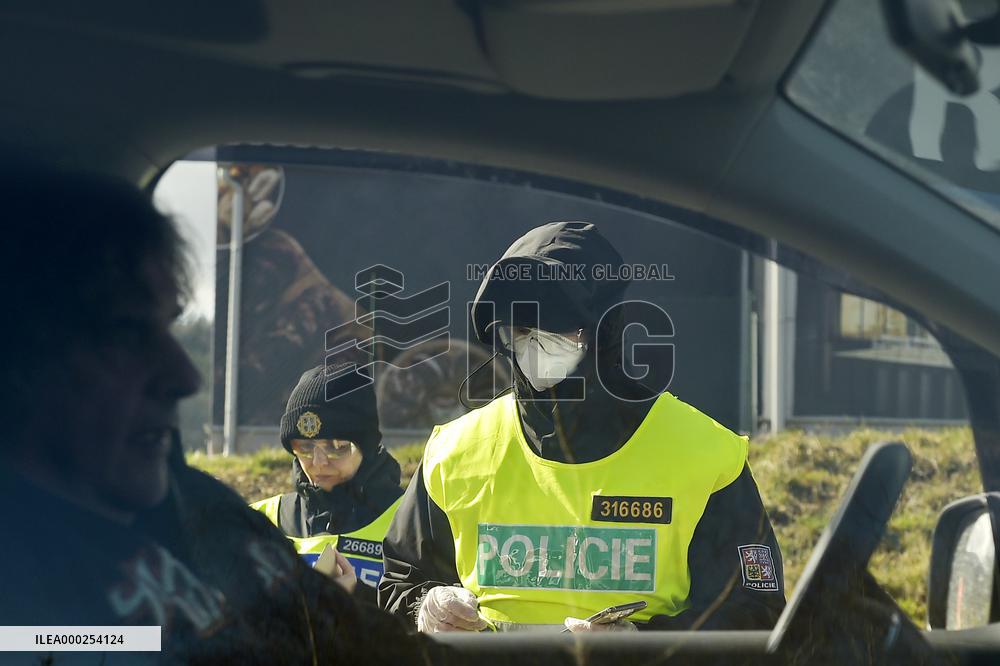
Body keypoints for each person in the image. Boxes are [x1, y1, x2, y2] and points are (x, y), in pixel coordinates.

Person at [0, 168, 444, 664]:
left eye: (168, 328)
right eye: (127, 333)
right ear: (18, 356)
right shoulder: (24, 569)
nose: (186, 375)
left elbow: (402, 655)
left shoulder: (215, 515)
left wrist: (323, 617)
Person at [379, 221, 786, 632]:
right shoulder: (454, 452)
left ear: (604, 331)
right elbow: (399, 582)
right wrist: (424, 608)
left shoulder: (705, 457)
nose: (534, 343)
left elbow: (757, 611)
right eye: (520, 330)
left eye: (556, 327)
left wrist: (646, 646)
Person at [251, 364, 404, 604]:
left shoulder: (410, 521)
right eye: (305, 447)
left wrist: (358, 598)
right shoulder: (258, 520)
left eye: (337, 447)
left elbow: (427, 617)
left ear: (367, 447)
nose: (319, 462)